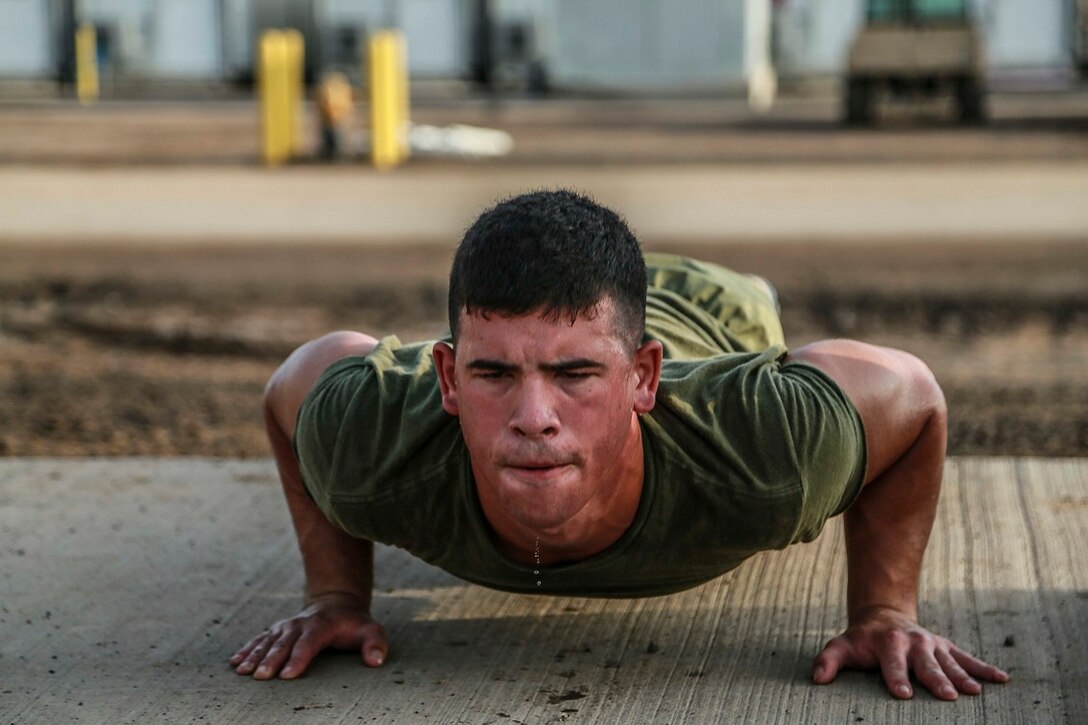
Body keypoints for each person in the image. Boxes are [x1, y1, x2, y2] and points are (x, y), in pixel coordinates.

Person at [230, 190, 1009, 700]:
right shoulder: (366, 445)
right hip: (593, 313)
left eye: (574, 376)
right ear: (446, 374)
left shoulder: (766, 455)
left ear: (642, 378)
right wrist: (335, 595)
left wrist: (884, 608)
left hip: (712, 313)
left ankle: (734, 300)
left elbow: (913, 396)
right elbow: (297, 380)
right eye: (493, 373)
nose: (534, 416)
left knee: (747, 309)